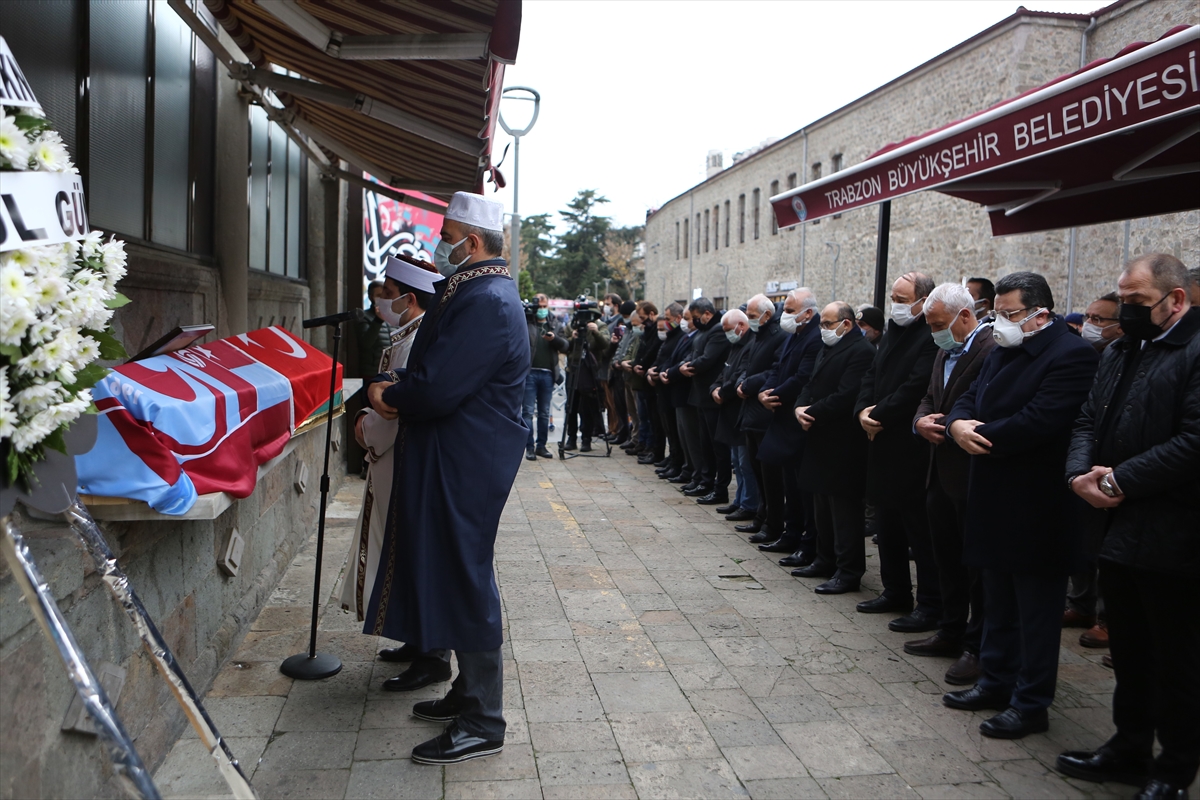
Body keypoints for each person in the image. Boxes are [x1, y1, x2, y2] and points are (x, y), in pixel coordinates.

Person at [365, 192, 529, 765]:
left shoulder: (486, 298)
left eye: (449, 232)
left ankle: (484, 720)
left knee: (466, 577)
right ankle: (467, 692)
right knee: (458, 572)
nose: (442, 242)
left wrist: (393, 396)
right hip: (459, 454)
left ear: (474, 242)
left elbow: (438, 387)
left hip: (469, 459)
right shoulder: (477, 290)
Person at [1057, 254, 1199, 798]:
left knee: (1176, 658)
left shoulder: (1193, 351)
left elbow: (1193, 441)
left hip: (1175, 531)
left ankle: (1174, 769)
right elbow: (1089, 418)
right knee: (1132, 651)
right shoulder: (1120, 348)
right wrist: (1078, 476)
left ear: (1176, 301)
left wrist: (1118, 482)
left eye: (1137, 303)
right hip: (1114, 529)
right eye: (1123, 301)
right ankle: (1128, 747)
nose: (1125, 313)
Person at [942, 271, 1098, 740]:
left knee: (1036, 611)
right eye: (997, 314)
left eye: (1009, 315)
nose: (1000, 323)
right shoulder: (1002, 348)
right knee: (997, 601)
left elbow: (1042, 419)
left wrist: (977, 433)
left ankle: (1031, 702)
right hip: (991, 492)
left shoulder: (1071, 355)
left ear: (1040, 314)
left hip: (1038, 503)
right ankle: (994, 680)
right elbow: (967, 396)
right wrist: (956, 425)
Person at [341, 257, 438, 635]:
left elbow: (398, 408)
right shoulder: (408, 336)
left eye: (388, 294)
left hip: (403, 458)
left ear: (410, 299)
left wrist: (365, 428)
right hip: (394, 460)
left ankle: (428, 648)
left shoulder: (418, 340)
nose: (381, 301)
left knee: (412, 551)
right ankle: (413, 638)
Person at [907, 282, 995, 686]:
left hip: (970, 474)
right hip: (937, 471)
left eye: (939, 324)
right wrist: (919, 421)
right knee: (945, 556)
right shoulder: (945, 347)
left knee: (975, 565)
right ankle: (951, 628)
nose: (934, 332)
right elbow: (930, 396)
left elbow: (980, 404)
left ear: (964, 316)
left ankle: (978, 646)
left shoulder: (990, 348)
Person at [854, 272, 942, 635]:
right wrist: (863, 410)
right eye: (894, 297)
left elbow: (915, 387)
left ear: (923, 301)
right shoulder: (892, 330)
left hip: (910, 445)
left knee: (918, 531)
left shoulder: (930, 335)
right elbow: (871, 375)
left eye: (903, 299)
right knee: (887, 525)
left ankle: (930, 604)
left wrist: (878, 414)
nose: (896, 305)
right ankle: (895, 591)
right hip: (880, 440)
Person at [793, 301, 875, 593]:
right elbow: (811, 384)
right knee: (822, 507)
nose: (823, 330)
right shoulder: (830, 347)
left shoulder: (861, 352)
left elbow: (846, 395)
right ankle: (824, 558)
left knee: (844, 511)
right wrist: (799, 408)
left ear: (847, 324)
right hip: (819, 437)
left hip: (843, 442)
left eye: (827, 324)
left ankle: (848, 570)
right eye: (822, 324)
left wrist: (811, 411)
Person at [743, 288, 821, 559]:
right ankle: (790, 534)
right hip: (781, 417)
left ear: (807, 313)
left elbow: (802, 377)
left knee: (801, 489)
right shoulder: (793, 334)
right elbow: (778, 369)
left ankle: (805, 541)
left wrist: (773, 394)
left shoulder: (814, 337)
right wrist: (766, 391)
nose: (784, 316)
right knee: (788, 482)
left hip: (797, 420)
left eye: (788, 311)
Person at [1066, 291, 1123, 649]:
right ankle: (1081, 604)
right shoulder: (1097, 355)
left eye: (1100, 320)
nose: (1090, 325)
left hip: (1116, 468)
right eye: (1088, 317)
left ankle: (1107, 617)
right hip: (1086, 462)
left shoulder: (1124, 355)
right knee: (1083, 539)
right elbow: (1086, 416)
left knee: (1107, 547)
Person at [731, 295, 785, 530]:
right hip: (751, 413)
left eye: (752, 316)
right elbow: (746, 365)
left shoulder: (779, 337)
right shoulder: (756, 337)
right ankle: (762, 517)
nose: (750, 320)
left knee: (769, 476)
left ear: (767, 315)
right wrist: (741, 383)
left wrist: (749, 384)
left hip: (764, 414)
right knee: (755, 470)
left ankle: (771, 521)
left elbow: (774, 370)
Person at [672, 297, 731, 503]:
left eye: (696, 317)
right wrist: (684, 365)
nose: (694, 322)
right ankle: (705, 481)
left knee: (717, 446)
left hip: (711, 394)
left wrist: (688, 367)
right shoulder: (705, 330)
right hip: (700, 394)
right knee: (705, 443)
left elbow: (708, 359)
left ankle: (718, 486)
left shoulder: (717, 330)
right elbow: (696, 352)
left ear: (707, 313)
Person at [711, 309, 757, 517]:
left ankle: (748, 503)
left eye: (729, 329)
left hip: (740, 410)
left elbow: (740, 374)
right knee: (737, 461)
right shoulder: (735, 345)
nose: (727, 333)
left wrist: (723, 391)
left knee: (745, 462)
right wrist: (715, 388)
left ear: (741, 325)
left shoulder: (749, 345)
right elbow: (725, 371)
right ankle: (740, 500)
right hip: (730, 410)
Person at [524, 293, 569, 460]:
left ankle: (541, 446)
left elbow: (565, 345)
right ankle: (529, 447)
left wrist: (554, 339)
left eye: (544, 306)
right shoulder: (527, 321)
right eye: (539, 306)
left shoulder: (555, 323)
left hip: (548, 374)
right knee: (527, 412)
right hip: (530, 372)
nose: (541, 310)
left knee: (544, 412)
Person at [649, 305, 686, 480]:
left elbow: (675, 360)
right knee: (668, 427)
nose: (665, 322)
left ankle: (677, 461)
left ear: (679, 318)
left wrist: (664, 372)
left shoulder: (681, 337)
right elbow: (663, 358)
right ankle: (673, 458)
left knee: (674, 429)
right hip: (662, 386)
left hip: (672, 388)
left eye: (668, 318)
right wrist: (653, 371)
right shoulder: (669, 337)